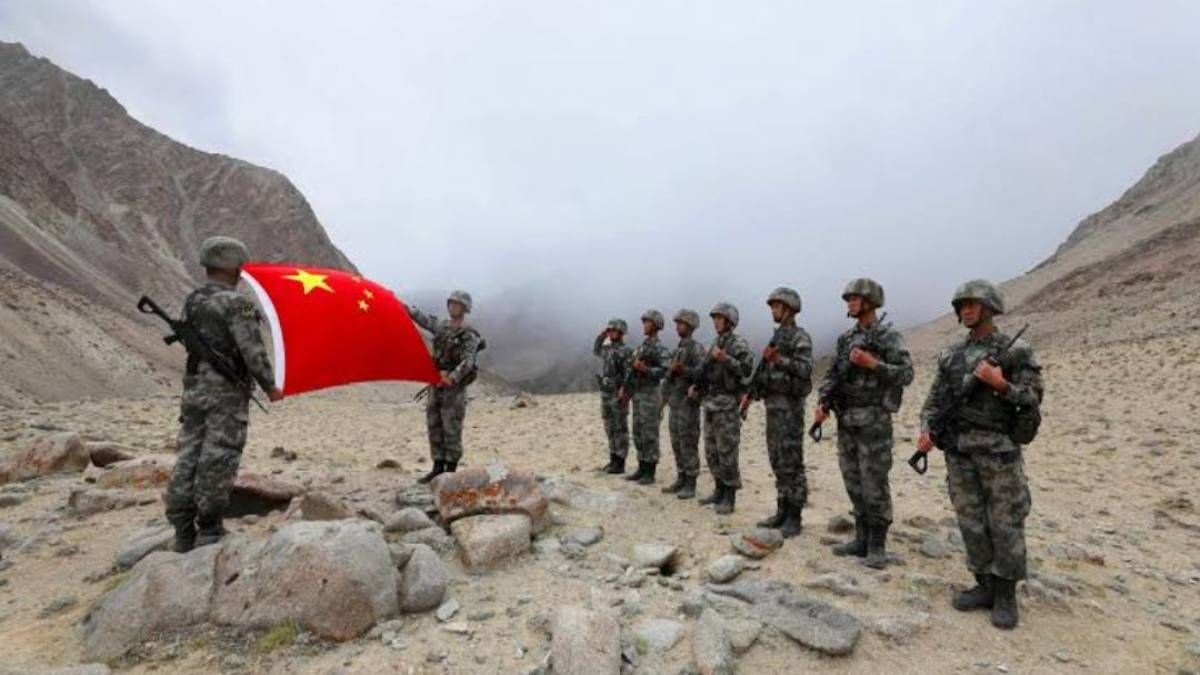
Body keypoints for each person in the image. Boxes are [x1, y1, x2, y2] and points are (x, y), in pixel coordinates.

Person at [916, 279, 1043, 629]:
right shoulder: (952, 354)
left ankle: (1005, 593)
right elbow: (934, 401)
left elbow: (1032, 399)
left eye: (973, 304)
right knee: (970, 520)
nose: (966, 310)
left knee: (1005, 521)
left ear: (989, 307)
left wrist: (1000, 384)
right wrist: (926, 430)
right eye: (962, 306)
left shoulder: (1016, 351)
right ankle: (984, 584)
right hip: (959, 452)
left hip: (998, 452)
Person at [165, 236, 283, 553]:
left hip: (195, 389)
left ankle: (181, 528)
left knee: (189, 452)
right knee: (219, 455)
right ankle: (209, 529)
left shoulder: (194, 299)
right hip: (225, 393)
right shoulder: (237, 303)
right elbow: (252, 350)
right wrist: (270, 385)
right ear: (236, 265)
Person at [815, 278, 913, 568]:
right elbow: (833, 375)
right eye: (848, 299)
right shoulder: (846, 339)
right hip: (847, 419)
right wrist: (823, 402)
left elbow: (906, 374)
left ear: (870, 302)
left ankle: (877, 545)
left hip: (874, 420)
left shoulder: (888, 337)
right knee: (853, 479)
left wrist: (874, 365)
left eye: (855, 298)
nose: (850, 303)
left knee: (874, 482)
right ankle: (860, 538)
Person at [741, 287, 813, 538]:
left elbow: (805, 369)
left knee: (792, 461)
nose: (773, 310)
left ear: (789, 309)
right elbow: (764, 376)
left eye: (777, 306)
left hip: (790, 410)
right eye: (772, 306)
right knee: (778, 460)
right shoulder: (777, 338)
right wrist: (751, 394)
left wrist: (778, 359)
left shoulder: (799, 338)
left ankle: (795, 515)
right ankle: (782, 510)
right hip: (773, 408)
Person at [408, 290, 482, 483]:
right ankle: (437, 466)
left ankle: (451, 469)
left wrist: (452, 377)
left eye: (456, 304)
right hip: (436, 383)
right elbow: (423, 320)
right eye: (450, 303)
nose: (452, 307)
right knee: (434, 424)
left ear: (464, 308)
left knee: (451, 427)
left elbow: (468, 361)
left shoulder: (469, 334)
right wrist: (404, 308)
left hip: (453, 388)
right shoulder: (442, 327)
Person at [689, 302, 753, 515]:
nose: (715, 322)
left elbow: (746, 370)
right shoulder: (715, 343)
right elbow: (705, 371)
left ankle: (729, 495)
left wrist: (725, 358)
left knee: (727, 450)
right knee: (711, 449)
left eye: (719, 318)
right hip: (710, 402)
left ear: (730, 321)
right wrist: (697, 387)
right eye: (714, 318)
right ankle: (718, 489)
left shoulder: (738, 344)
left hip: (727, 404)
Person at [620, 310, 671, 484]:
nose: (644, 325)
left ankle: (650, 470)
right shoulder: (642, 347)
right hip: (639, 394)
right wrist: (626, 390)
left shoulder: (660, 348)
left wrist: (646, 370)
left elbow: (664, 370)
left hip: (651, 394)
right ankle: (641, 467)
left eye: (647, 322)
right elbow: (632, 370)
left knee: (650, 433)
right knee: (638, 431)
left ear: (656, 325)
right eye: (644, 322)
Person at [662, 309, 707, 499]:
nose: (677, 327)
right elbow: (668, 377)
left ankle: (691, 482)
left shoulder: (696, 349)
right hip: (675, 403)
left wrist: (684, 370)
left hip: (688, 404)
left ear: (690, 326)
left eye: (681, 323)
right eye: (677, 323)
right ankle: (681, 476)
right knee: (676, 442)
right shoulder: (678, 349)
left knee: (688, 442)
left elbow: (702, 375)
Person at [594, 319, 633, 474]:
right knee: (609, 427)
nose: (611, 333)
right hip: (606, 393)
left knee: (620, 428)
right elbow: (596, 349)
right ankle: (612, 459)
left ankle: (620, 462)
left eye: (613, 330)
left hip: (618, 393)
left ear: (621, 332)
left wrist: (624, 390)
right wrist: (601, 336)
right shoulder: (606, 349)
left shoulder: (626, 351)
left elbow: (629, 374)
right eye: (609, 330)